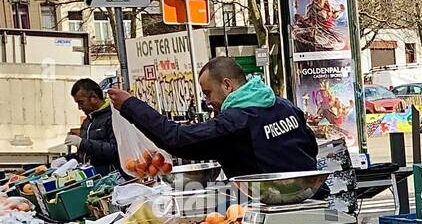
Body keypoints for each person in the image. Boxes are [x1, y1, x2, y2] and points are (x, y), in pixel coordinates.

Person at [106, 56, 318, 178]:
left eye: (208, 93)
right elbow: (311, 147)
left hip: (274, 205)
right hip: (313, 198)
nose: (207, 101)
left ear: (227, 84)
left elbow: (177, 139)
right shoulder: (284, 105)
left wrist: (130, 105)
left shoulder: (235, 122)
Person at [69, 78, 119, 175]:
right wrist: (68, 159)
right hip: (92, 180)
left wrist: (82, 143)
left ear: (94, 97)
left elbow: (115, 150)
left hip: (111, 179)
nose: (79, 107)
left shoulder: (113, 117)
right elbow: (85, 155)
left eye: (81, 102)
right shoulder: (87, 122)